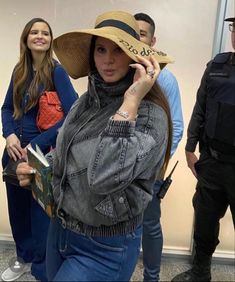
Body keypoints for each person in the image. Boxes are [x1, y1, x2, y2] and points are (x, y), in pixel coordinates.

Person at [16, 10, 173, 282]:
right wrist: (40, 171)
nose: (108, 60)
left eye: (118, 50)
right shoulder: (84, 103)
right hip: (61, 230)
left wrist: (131, 101)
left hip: (105, 245)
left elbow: (105, 177)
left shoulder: (150, 116)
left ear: (135, 56)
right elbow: (68, 152)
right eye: (100, 50)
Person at [1, 18, 77, 282]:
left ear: (50, 40)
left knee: (41, 217)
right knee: (18, 212)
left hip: (39, 156)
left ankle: (42, 269)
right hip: (13, 154)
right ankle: (23, 258)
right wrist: (9, 134)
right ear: (26, 38)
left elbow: (72, 115)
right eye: (35, 32)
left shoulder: (57, 72)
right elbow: (7, 109)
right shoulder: (18, 71)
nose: (40, 36)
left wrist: (38, 143)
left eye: (45, 33)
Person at [171, 16, 235, 282]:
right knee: (205, 221)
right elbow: (201, 108)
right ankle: (200, 272)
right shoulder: (217, 66)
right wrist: (190, 147)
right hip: (212, 162)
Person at [134, 13, 184, 282]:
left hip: (151, 171)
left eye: (142, 34)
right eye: (133, 33)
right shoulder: (118, 73)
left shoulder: (166, 80)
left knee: (149, 225)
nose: (138, 38)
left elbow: (176, 127)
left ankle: (151, 278)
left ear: (153, 41)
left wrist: (156, 164)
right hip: (120, 167)